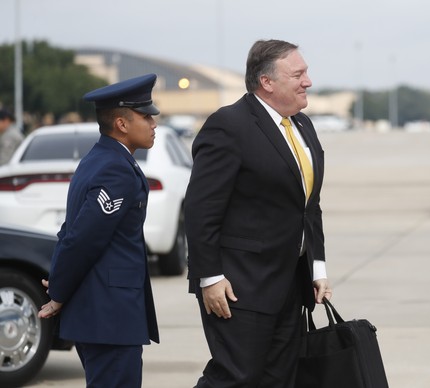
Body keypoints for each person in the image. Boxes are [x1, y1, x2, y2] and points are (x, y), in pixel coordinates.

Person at [184, 39, 332, 388]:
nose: (308, 81)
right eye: (298, 74)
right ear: (267, 82)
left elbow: (308, 205)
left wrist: (317, 266)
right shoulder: (229, 125)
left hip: (289, 285)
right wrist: (209, 277)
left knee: (278, 380)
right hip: (240, 287)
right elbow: (200, 208)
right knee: (235, 378)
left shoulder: (301, 126)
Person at [38, 74, 160, 388]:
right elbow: (83, 238)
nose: (154, 123)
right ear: (121, 123)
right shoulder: (115, 168)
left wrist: (60, 280)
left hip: (102, 314)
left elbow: (73, 230)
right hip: (110, 316)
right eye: (146, 116)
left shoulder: (100, 158)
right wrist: (59, 291)